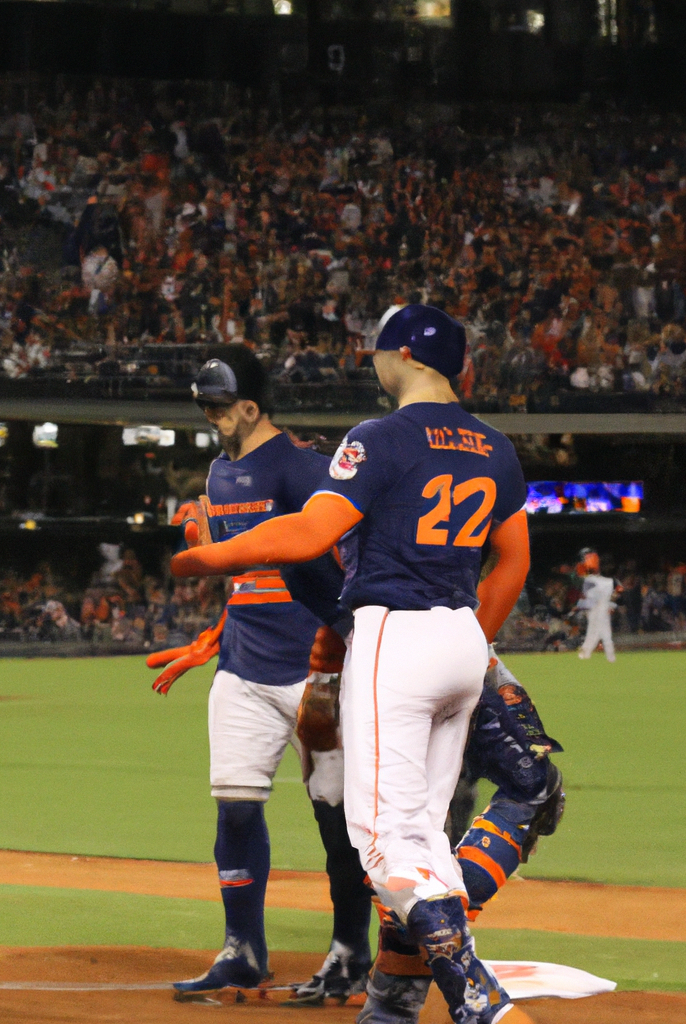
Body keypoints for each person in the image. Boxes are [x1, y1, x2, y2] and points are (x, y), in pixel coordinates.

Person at [171, 306, 533, 1024]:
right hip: (462, 635)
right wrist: (468, 635)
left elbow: (313, 530)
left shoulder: (379, 437)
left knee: (383, 845)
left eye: (377, 349)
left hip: (395, 637)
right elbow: (513, 561)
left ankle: (480, 1001)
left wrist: (208, 556)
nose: (371, 359)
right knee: (427, 833)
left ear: (403, 355)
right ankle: (392, 1007)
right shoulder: (496, 446)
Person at [147, 347, 373, 1003]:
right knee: (235, 808)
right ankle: (242, 951)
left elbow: (338, 559)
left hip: (313, 669)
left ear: (251, 406)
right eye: (205, 406)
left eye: (219, 405)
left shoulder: (305, 468)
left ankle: (351, 952)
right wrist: (214, 635)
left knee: (337, 820)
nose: (212, 417)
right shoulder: (219, 475)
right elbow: (247, 577)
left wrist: (349, 638)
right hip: (243, 666)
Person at [576, 548, 618, 662]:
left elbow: (590, 596)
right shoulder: (599, 580)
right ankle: (609, 657)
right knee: (600, 633)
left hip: (598, 608)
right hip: (599, 608)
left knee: (599, 633)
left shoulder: (596, 580)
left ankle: (588, 653)